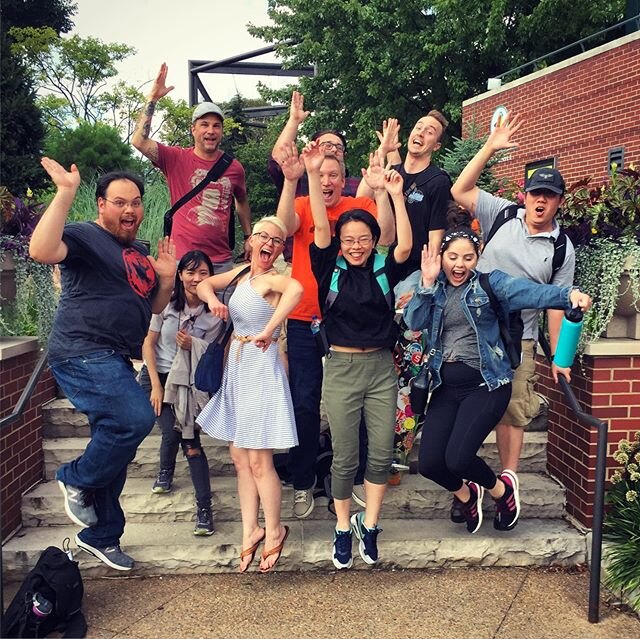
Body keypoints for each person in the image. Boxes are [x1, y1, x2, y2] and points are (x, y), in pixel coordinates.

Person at [29, 158, 177, 571]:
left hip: (116, 357)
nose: (129, 211)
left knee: (117, 445)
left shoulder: (138, 252)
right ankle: (75, 477)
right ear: (101, 205)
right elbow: (41, 250)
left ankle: (101, 535)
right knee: (134, 419)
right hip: (81, 350)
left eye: (136, 203)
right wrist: (64, 194)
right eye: (119, 202)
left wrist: (165, 277)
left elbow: (155, 308)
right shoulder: (85, 236)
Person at [403, 227, 591, 534]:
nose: (459, 265)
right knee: (430, 464)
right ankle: (467, 494)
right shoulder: (434, 288)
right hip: (446, 387)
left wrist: (567, 294)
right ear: (442, 258)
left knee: (459, 458)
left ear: (478, 258)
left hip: (486, 386)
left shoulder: (492, 284)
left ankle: (502, 493)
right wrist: (425, 282)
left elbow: (531, 291)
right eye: (452, 257)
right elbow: (413, 321)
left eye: (467, 257)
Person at [450, 111, 576, 523]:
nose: (541, 201)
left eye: (549, 195)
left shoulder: (561, 248)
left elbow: (556, 304)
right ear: (525, 195)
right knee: (463, 407)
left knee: (512, 410)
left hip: (518, 338)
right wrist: (489, 146)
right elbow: (460, 188)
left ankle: (506, 485)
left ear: (559, 201)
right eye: (535, 193)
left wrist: (560, 359)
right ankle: (465, 481)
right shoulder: (501, 214)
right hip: (471, 330)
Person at [304, 140, 412, 568]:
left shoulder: (385, 265)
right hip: (342, 368)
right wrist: (314, 174)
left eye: (362, 239)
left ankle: (371, 524)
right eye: (349, 239)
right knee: (346, 455)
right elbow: (320, 227)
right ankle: (343, 528)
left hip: (381, 369)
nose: (355, 245)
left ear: (371, 240)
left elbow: (404, 243)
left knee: (382, 451)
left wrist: (396, 196)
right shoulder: (328, 265)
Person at [275, 141, 395, 519]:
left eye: (333, 175)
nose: (326, 180)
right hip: (302, 318)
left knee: (359, 402)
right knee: (304, 403)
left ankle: (357, 476)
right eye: (321, 174)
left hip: (347, 328)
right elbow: (283, 227)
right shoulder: (302, 205)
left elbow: (388, 237)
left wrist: (380, 190)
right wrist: (297, 178)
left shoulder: (356, 212)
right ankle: (303, 479)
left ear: (344, 181)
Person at [196, 216, 303, 573]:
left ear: (280, 249)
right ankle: (250, 529)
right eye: (262, 236)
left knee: (259, 460)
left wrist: (271, 330)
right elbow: (204, 284)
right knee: (240, 457)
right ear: (251, 240)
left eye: (276, 240)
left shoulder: (273, 279)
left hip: (260, 366)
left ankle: (275, 529)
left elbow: (297, 291)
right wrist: (213, 301)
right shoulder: (243, 274)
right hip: (238, 367)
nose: (269, 243)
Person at [132, 63, 252, 269]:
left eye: (216, 126)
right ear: (193, 130)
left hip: (220, 261)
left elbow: (241, 201)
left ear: (222, 131)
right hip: (182, 259)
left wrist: (249, 235)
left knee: (222, 303)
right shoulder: (175, 158)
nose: (211, 131)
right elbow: (139, 142)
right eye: (204, 125)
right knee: (178, 303)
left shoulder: (234, 167)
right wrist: (152, 99)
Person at [139, 250, 219, 536]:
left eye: (203, 273)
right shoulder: (166, 305)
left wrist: (194, 346)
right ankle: (166, 469)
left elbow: (213, 355)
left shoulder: (216, 314)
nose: (195, 279)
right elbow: (148, 345)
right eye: (189, 272)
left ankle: (205, 509)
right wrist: (156, 387)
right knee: (177, 433)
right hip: (157, 377)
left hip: (189, 384)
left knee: (186, 437)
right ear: (180, 274)